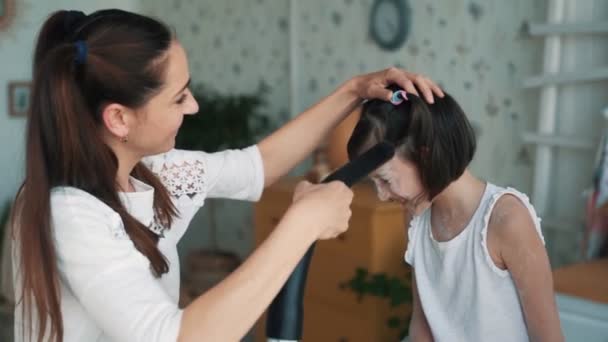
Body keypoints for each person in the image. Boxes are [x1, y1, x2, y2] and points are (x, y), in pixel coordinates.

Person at [11, 9, 443, 342]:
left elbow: (259, 166)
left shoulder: (150, 173)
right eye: (178, 98)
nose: (194, 106)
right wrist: (302, 225)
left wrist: (353, 91)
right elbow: (172, 336)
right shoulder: (67, 213)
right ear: (119, 119)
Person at [347, 86, 564, 341]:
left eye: (384, 180)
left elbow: (548, 337)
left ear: (424, 156)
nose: (382, 195)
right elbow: (422, 323)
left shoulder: (507, 220)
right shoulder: (417, 219)